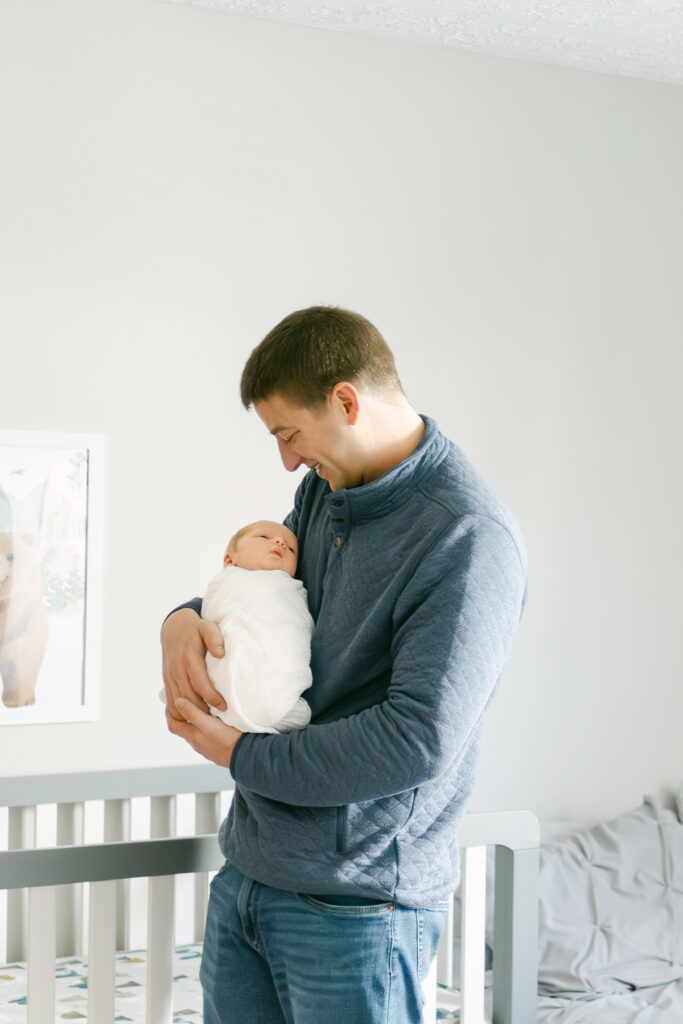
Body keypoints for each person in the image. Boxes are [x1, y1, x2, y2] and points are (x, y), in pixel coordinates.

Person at [161, 305, 528, 1024]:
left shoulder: (467, 537)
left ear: (347, 402)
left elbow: (415, 740)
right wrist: (179, 619)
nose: (288, 461)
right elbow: (271, 600)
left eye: (288, 434)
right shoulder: (325, 494)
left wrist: (240, 754)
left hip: (357, 907)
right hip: (251, 876)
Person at [202, 519, 313, 734]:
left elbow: (296, 625)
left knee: (299, 715)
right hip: (225, 687)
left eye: (291, 549)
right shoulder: (228, 581)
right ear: (229, 559)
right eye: (264, 537)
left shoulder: (291, 589)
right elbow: (213, 611)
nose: (281, 542)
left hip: (279, 691)